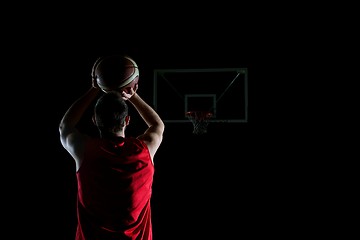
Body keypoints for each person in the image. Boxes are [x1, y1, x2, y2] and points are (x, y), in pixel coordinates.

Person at [59, 57, 165, 240]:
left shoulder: (86, 152)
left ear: (94, 120)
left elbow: (65, 126)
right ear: (127, 120)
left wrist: (93, 89)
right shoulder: (143, 152)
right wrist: (133, 95)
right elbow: (157, 125)